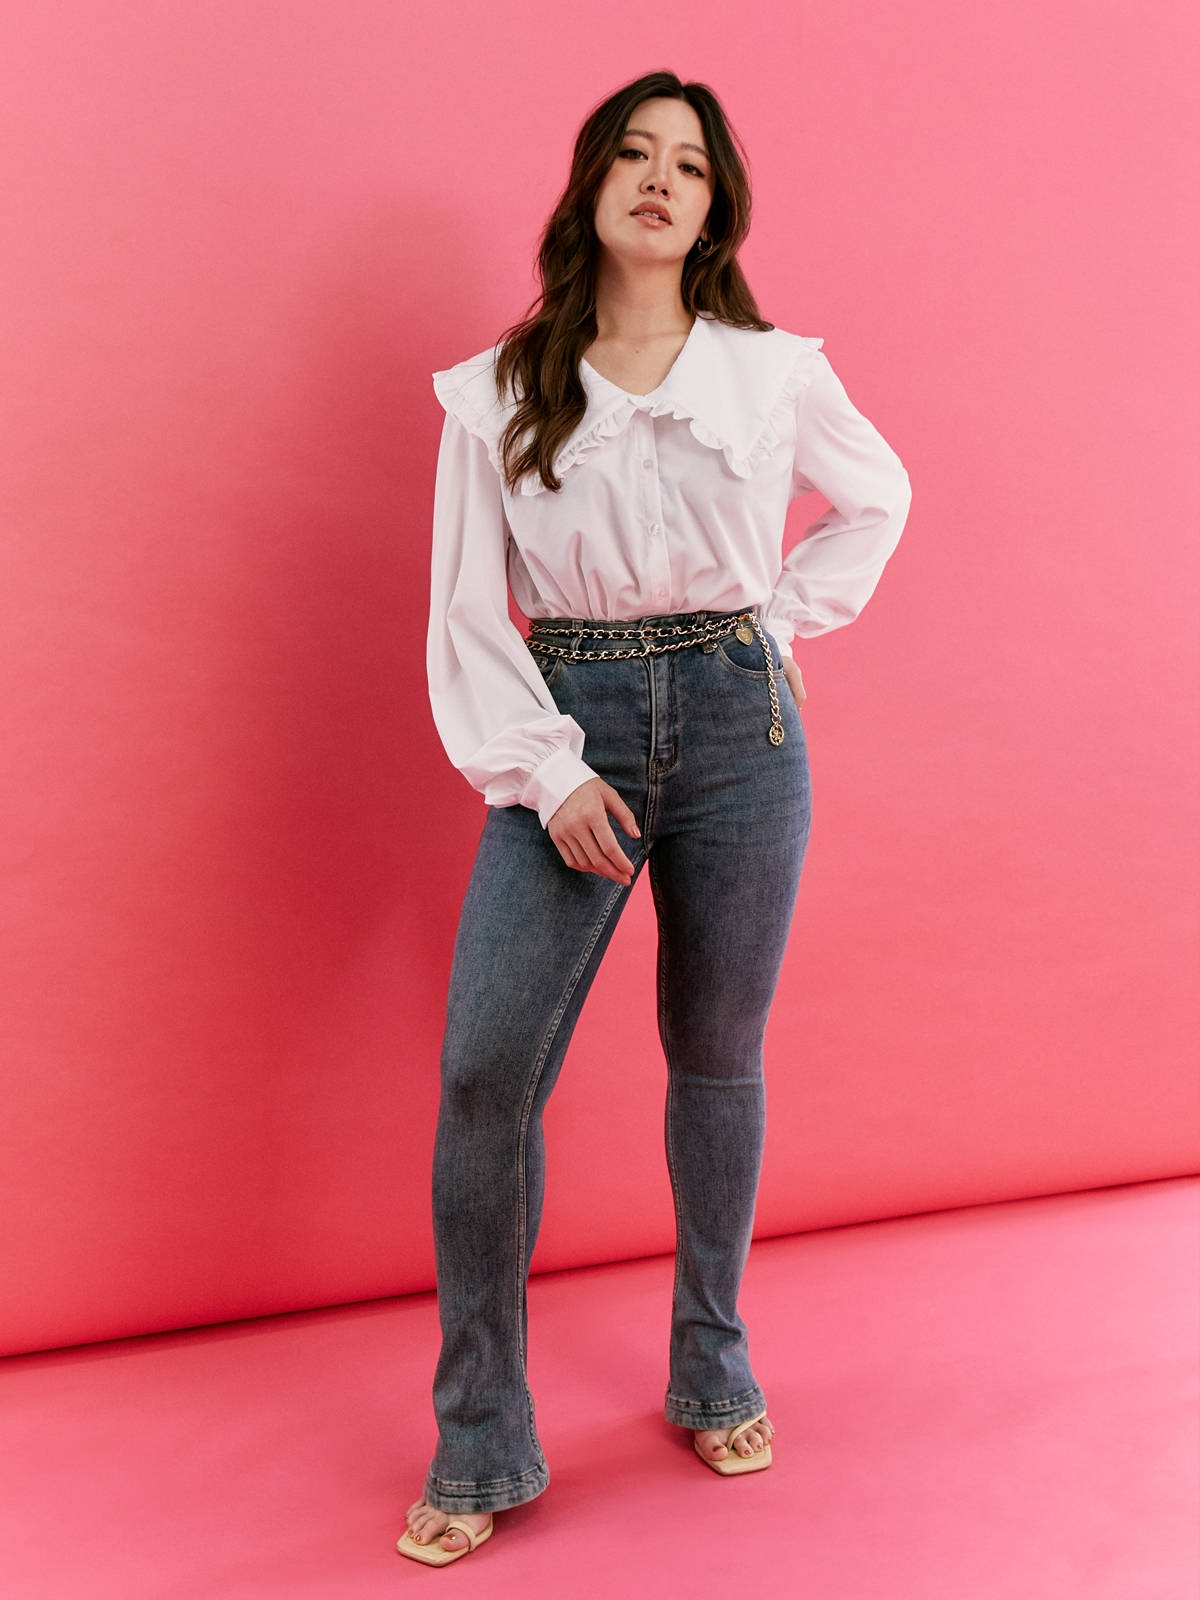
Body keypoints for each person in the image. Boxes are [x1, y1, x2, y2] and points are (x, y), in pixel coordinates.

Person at [397, 69, 912, 1566]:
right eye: (633, 153)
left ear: (714, 208)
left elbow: (877, 498)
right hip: (568, 725)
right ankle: (481, 1436)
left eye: (689, 164)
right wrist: (552, 773)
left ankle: (713, 1360)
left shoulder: (770, 371)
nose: (660, 179)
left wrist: (777, 630)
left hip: (746, 735)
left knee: (718, 1057)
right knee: (485, 1076)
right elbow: (463, 610)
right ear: (592, 185)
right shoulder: (499, 388)